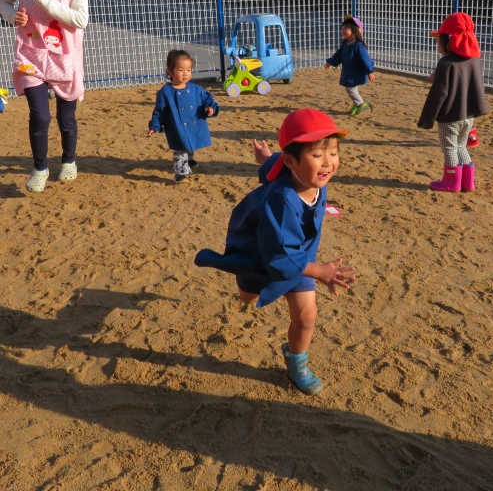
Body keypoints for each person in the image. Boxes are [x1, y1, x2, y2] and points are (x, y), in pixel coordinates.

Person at [195, 108, 355, 395]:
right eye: (317, 155)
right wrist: (319, 271)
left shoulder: (312, 177)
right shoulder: (282, 202)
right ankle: (245, 277)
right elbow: (279, 255)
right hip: (260, 255)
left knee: (307, 316)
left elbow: (275, 165)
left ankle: (297, 364)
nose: (328, 163)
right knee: (249, 296)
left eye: (333, 152)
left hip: (299, 258)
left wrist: (265, 159)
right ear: (292, 161)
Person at [0, 0, 89, 193]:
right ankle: (39, 167)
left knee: (66, 118)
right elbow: (2, 2)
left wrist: (44, 0)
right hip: (31, 54)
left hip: (65, 56)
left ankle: (69, 160)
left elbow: (80, 19)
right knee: (40, 116)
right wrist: (11, 15)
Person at [417, 12, 489, 192]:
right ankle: (467, 182)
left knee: (449, 147)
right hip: (468, 116)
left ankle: (452, 182)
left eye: (438, 40)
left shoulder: (446, 63)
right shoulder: (474, 60)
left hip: (450, 117)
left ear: (450, 40)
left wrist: (427, 118)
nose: (437, 45)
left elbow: (440, 93)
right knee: (461, 146)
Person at [148, 49, 220, 182]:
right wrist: (155, 125)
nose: (185, 73)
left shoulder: (196, 89)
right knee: (180, 147)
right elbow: (160, 110)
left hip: (195, 121)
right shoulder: (166, 92)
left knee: (192, 142)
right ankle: (180, 173)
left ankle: (190, 159)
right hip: (176, 125)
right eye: (181, 70)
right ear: (170, 71)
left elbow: (207, 100)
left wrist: (210, 108)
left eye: (189, 70)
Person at [324, 15, 375, 115]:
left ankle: (361, 103)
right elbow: (338, 54)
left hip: (356, 72)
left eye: (346, 29)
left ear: (355, 31)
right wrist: (330, 62)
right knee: (351, 88)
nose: (343, 31)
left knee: (350, 88)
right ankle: (357, 104)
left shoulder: (358, 45)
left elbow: (366, 59)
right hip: (349, 72)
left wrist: (370, 71)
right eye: (342, 29)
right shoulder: (345, 44)